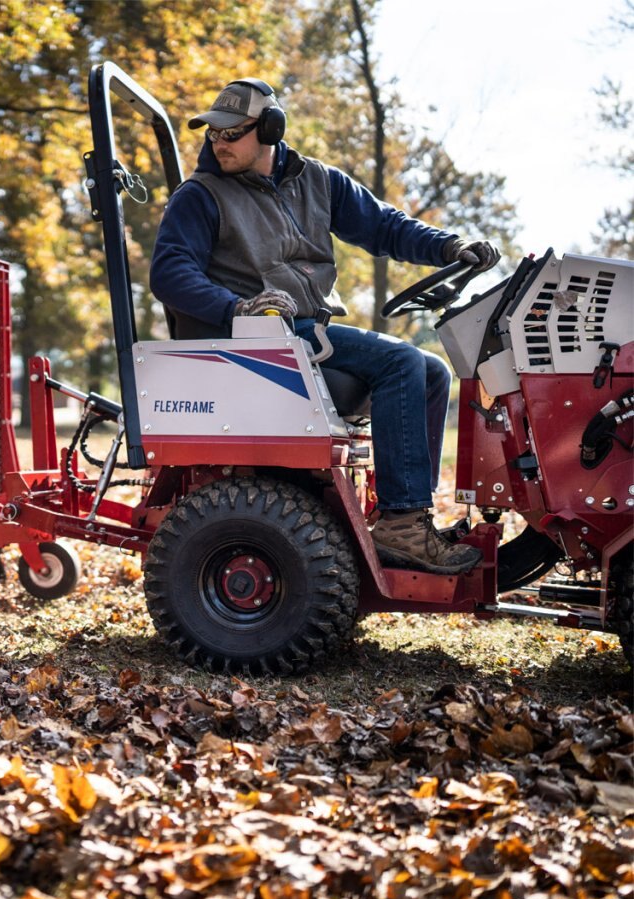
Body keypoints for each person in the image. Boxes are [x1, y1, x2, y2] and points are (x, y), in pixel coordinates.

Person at [150, 78, 500, 575]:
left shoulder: (318, 181)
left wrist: (448, 246)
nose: (218, 143)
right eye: (213, 134)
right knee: (401, 361)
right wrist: (237, 308)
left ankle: (405, 514)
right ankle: (402, 525)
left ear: (270, 130)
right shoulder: (201, 196)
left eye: (231, 133)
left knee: (432, 371)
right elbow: (169, 273)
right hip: (258, 338)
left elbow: (385, 226)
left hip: (307, 332)